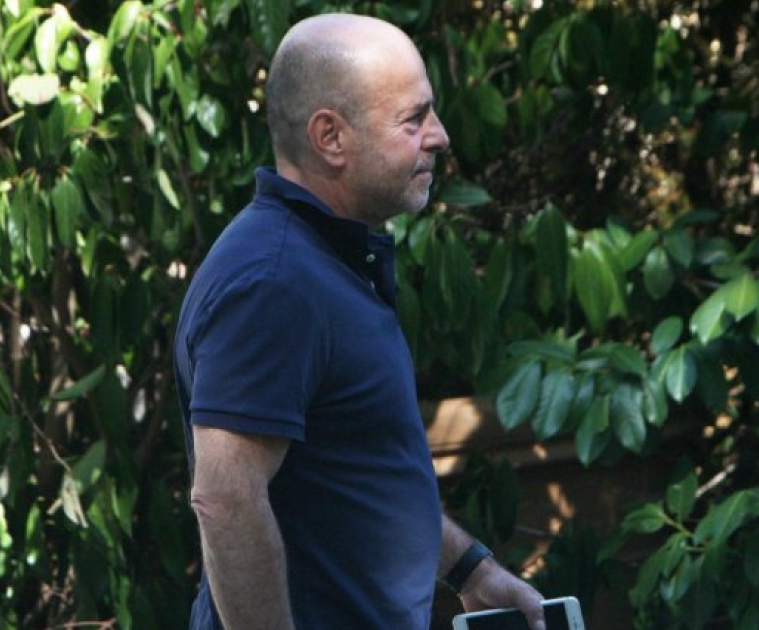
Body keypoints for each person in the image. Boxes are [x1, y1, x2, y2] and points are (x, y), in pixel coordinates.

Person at [173, 12, 547, 630]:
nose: (439, 136)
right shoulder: (273, 282)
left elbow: (356, 476)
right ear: (330, 137)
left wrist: (471, 571)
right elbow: (226, 498)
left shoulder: (324, 262)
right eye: (413, 119)